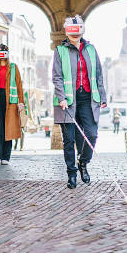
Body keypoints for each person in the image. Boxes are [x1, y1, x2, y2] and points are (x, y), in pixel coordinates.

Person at [52, 15, 107, 189]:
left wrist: (103, 97)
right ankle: (72, 174)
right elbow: (57, 76)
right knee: (69, 139)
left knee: (91, 134)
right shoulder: (60, 51)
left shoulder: (91, 49)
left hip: (87, 99)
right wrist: (61, 97)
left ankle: (83, 162)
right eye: (72, 33)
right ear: (67, 33)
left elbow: (98, 74)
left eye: (78, 33)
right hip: (67, 101)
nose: (75, 36)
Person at [0, 44, 25, 165]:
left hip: (10, 102)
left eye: (4, 52)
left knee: (9, 129)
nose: (2, 54)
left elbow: (19, 85)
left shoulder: (14, 67)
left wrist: (21, 102)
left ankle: (6, 157)